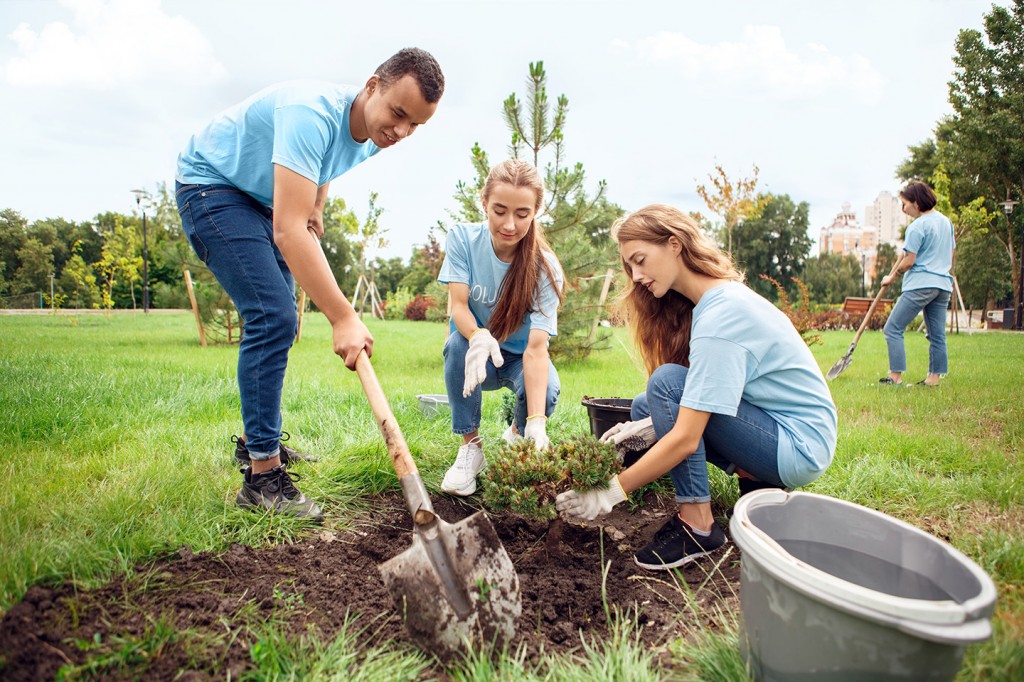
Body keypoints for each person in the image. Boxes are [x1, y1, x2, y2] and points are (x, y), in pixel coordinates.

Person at [174, 48, 444, 520]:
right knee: (273, 316)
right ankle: (261, 478)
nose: (401, 132)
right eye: (399, 114)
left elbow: (324, 164)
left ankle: (258, 443)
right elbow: (287, 228)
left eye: (415, 126)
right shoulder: (311, 114)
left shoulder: (370, 132)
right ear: (372, 85)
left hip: (254, 197)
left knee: (278, 321)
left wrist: (317, 201)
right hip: (212, 186)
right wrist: (343, 317)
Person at [555, 204, 837, 571]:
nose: (636, 275)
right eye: (630, 267)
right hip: (782, 432)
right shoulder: (715, 300)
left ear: (674, 244)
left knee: (667, 386)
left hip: (797, 446)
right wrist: (650, 423)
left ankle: (698, 526)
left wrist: (611, 492)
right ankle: (757, 484)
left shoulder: (723, 314)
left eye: (640, 260)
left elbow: (687, 437)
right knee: (646, 406)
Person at [437, 159, 564, 496]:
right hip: (476, 356)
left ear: (536, 211)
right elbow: (460, 306)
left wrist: (537, 421)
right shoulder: (463, 239)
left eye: (522, 214)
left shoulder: (544, 268)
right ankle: (471, 448)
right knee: (456, 346)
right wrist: (478, 335)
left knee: (548, 390)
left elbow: (537, 350)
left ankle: (518, 433)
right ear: (484, 204)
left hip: (521, 359)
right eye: (500, 211)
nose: (510, 224)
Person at [878, 181, 955, 387]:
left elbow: (909, 261)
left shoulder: (917, 226)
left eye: (905, 204)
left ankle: (895, 377)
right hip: (943, 284)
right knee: (937, 334)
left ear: (916, 202)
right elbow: (951, 253)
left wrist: (891, 277)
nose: (904, 209)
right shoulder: (946, 222)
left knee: (893, 328)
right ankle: (933, 379)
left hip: (920, 284)